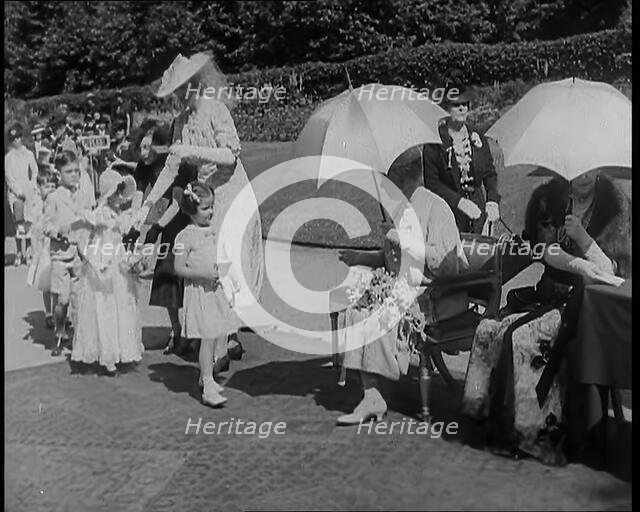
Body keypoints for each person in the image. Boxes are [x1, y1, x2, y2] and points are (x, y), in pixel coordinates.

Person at [461, 168, 632, 465]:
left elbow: (609, 271)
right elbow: (542, 250)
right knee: (489, 328)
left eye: (591, 171)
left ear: (600, 171)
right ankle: (485, 415)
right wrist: (574, 261)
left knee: (522, 338)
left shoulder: (614, 208)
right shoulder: (552, 198)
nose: (584, 177)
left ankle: (534, 432)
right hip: (546, 294)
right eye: (579, 170)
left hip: (584, 306)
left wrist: (582, 238)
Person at [336, 147, 469, 424]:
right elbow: (391, 259)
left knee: (375, 314)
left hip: (436, 295)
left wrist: (402, 239)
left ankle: (373, 396)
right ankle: (372, 396)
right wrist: (360, 257)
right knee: (356, 307)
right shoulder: (400, 209)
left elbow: (446, 266)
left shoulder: (437, 208)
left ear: (404, 176)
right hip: (403, 289)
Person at [143, 51, 264, 353]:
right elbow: (172, 166)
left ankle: (229, 335)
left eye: (186, 87)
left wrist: (191, 152)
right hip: (207, 195)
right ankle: (223, 336)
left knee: (231, 259)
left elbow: (230, 153)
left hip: (231, 190)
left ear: (197, 83)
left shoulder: (216, 110)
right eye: (177, 90)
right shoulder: (182, 122)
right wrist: (147, 204)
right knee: (213, 260)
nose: (182, 95)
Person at [71, 170, 145, 375]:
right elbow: (87, 233)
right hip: (103, 260)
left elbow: (127, 226)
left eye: (122, 193)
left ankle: (122, 348)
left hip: (117, 259)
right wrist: (96, 261)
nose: (122, 198)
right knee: (104, 307)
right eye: (118, 193)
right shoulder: (101, 213)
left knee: (122, 304)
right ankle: (107, 353)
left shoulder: (119, 214)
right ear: (109, 193)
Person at [174, 181, 240, 406]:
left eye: (212, 207)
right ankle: (207, 381)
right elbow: (179, 267)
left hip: (215, 291)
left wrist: (229, 275)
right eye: (205, 208)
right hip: (200, 292)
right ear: (192, 210)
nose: (211, 212)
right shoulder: (186, 236)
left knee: (213, 336)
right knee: (208, 337)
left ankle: (207, 376)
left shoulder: (212, 231)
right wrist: (201, 273)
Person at [423, 93, 501, 234]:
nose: (462, 109)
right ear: (446, 109)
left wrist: (492, 201)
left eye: (464, 105)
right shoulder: (434, 142)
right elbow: (432, 182)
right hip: (448, 211)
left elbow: (489, 173)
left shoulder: (478, 137)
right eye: (456, 105)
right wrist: (459, 202)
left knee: (480, 252)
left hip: (478, 209)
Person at [42, 150, 92, 356]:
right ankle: (60, 331)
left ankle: (79, 338)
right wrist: (57, 231)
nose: (74, 175)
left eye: (76, 171)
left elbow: (88, 219)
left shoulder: (82, 196)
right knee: (62, 300)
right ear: (59, 174)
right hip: (60, 256)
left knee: (78, 298)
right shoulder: (53, 197)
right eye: (68, 171)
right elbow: (45, 224)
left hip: (79, 255)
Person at [26, 168, 58, 328]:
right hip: (44, 248)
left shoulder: (58, 202)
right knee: (46, 284)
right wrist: (34, 250)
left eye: (53, 186)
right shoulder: (38, 206)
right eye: (47, 186)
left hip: (57, 246)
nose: (50, 189)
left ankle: (59, 311)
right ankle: (49, 312)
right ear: (39, 188)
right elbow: (35, 229)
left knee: (58, 283)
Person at [5, 123, 38, 266]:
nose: (16, 141)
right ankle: (19, 252)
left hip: (28, 190)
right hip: (15, 194)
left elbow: (35, 172)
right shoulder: (9, 157)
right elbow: (8, 176)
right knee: (18, 223)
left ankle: (29, 253)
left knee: (28, 223)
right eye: (13, 139)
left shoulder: (29, 154)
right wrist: (17, 191)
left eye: (18, 137)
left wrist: (32, 185)